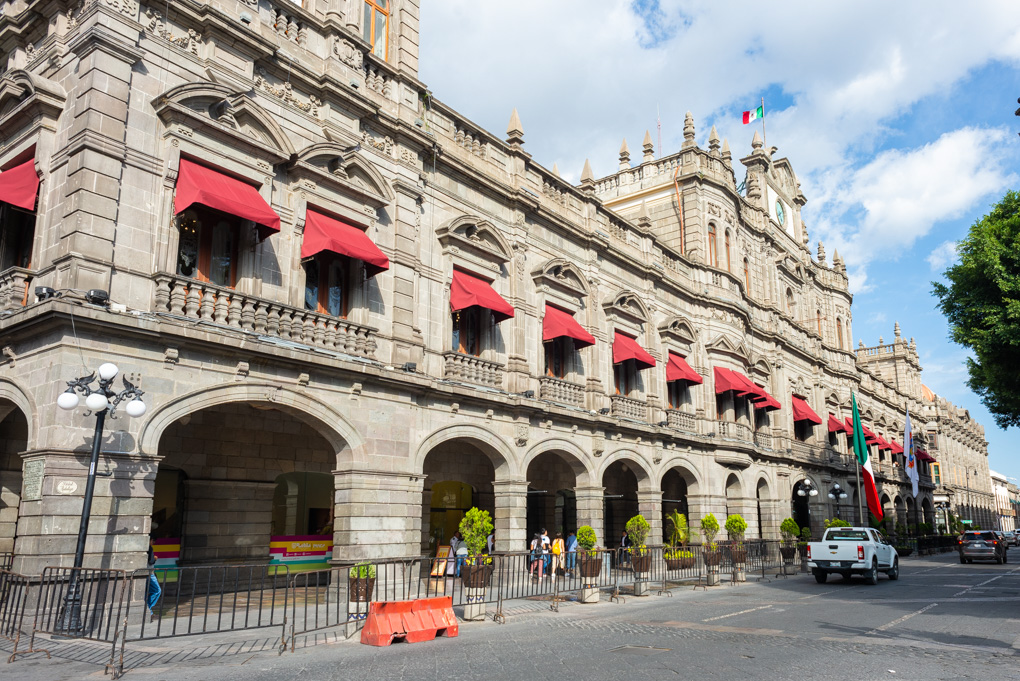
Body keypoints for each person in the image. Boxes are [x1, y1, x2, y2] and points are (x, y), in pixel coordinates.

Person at [145, 540, 162, 621]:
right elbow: (151, 561)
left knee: (146, 592)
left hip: (145, 572)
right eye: (153, 541)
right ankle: (148, 610)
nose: (153, 543)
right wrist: (154, 558)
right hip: (149, 572)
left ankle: (149, 611)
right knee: (157, 590)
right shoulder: (149, 548)